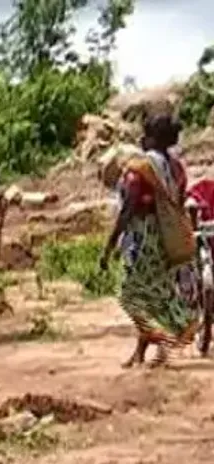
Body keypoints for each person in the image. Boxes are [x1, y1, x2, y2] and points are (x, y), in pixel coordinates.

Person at [99, 115, 197, 368]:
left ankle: (169, 335)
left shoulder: (140, 168)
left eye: (146, 134)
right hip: (167, 237)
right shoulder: (176, 167)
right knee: (154, 292)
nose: (141, 139)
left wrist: (110, 244)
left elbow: (129, 207)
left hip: (144, 237)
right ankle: (143, 352)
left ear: (154, 138)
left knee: (131, 294)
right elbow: (180, 199)